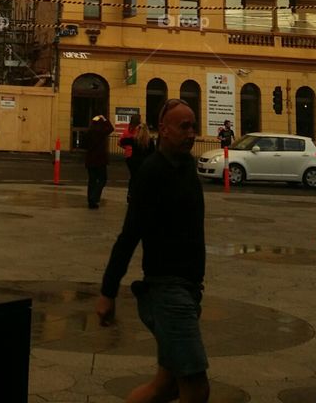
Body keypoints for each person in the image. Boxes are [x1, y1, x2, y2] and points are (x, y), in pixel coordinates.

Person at [96, 99, 209, 403]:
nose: (191, 133)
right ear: (164, 129)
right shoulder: (153, 172)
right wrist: (108, 292)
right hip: (167, 291)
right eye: (183, 126)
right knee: (196, 389)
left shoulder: (186, 166)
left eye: (193, 126)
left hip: (187, 289)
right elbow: (129, 235)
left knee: (166, 386)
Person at [119, 120, 155, 200]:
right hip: (145, 163)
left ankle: (131, 194)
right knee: (144, 179)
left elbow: (122, 141)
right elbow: (153, 152)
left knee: (133, 178)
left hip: (134, 162)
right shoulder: (150, 141)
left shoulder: (134, 140)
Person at [84, 114, 114, 209]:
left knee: (92, 180)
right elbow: (111, 128)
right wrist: (105, 119)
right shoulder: (102, 132)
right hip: (100, 160)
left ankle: (90, 200)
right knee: (102, 179)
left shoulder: (89, 132)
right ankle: (94, 198)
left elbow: (83, 144)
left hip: (90, 160)